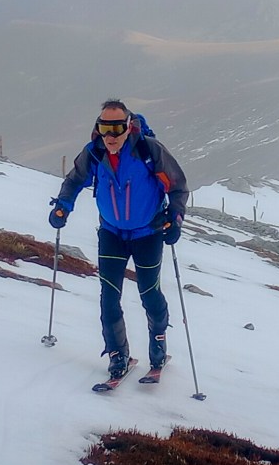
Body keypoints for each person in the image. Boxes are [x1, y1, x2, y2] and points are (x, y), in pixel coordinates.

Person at [48, 100, 188, 380]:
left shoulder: (148, 150)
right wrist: (63, 205)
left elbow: (177, 186)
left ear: (129, 126)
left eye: (116, 128)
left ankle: (158, 345)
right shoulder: (95, 153)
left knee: (150, 294)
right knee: (109, 297)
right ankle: (117, 356)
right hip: (111, 233)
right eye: (104, 128)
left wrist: (175, 217)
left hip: (148, 233)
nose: (110, 136)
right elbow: (75, 180)